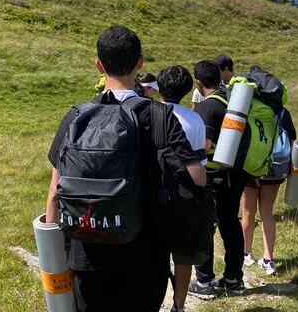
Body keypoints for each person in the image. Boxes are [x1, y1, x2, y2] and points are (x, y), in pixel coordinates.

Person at [44, 26, 206, 312]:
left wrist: (56, 255)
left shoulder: (76, 116)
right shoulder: (159, 116)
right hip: (144, 257)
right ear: (140, 62)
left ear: (99, 65)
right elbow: (197, 179)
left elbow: (55, 192)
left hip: (85, 254)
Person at [188, 61, 247, 299]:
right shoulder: (230, 102)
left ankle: (204, 282)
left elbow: (205, 145)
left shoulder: (207, 107)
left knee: (205, 225)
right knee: (230, 224)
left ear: (198, 82)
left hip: (213, 176)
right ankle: (234, 279)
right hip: (235, 174)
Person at [157, 65, 208, 312]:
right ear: (188, 89)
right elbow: (201, 163)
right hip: (184, 195)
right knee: (183, 255)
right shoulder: (195, 119)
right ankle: (179, 305)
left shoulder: (150, 113)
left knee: (155, 252)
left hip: (155, 193)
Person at [241, 108, 297, 275]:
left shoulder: (249, 107)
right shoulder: (282, 112)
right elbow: (292, 139)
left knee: (247, 213)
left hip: (250, 164)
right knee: (267, 212)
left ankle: (246, 253)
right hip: (275, 167)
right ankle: (267, 259)